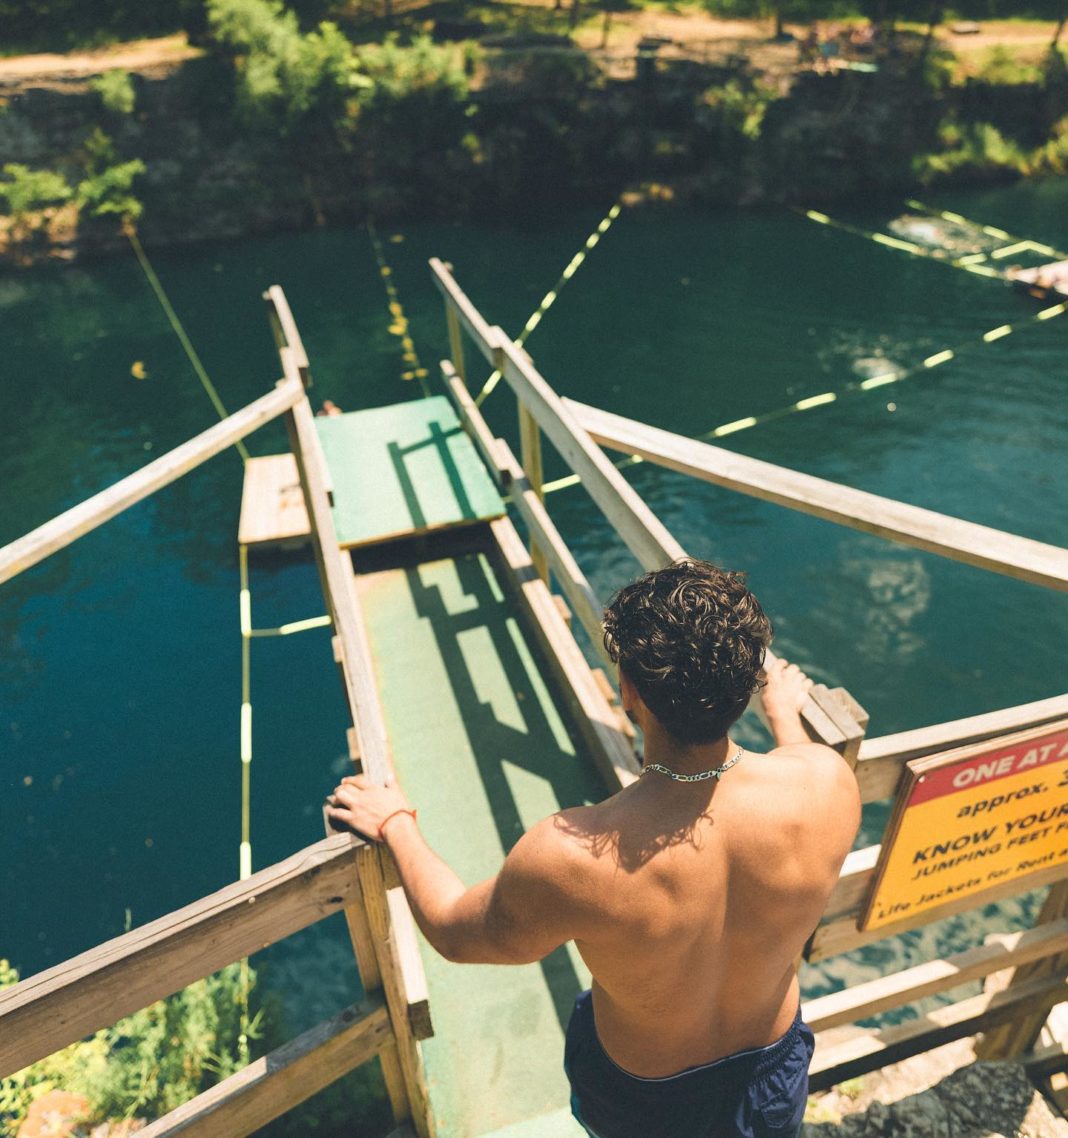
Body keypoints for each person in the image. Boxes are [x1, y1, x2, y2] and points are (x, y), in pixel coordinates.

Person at [326, 559, 861, 1138]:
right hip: (769, 1070)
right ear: (747, 684)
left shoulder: (570, 856)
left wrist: (396, 824)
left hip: (645, 1099)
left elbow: (455, 932)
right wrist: (784, 715)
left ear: (629, 690)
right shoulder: (827, 784)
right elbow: (801, 763)